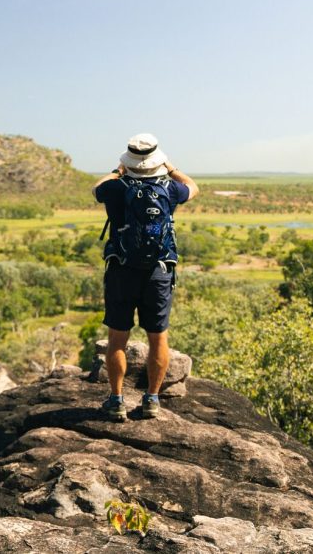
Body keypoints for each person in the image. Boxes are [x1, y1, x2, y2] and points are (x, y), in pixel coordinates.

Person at [90, 133, 199, 421]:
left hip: (121, 270)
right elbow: (193, 187)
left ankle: (116, 401)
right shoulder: (170, 189)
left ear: (128, 161)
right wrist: (170, 167)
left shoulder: (116, 188)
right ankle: (151, 399)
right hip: (158, 273)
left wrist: (117, 171)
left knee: (117, 340)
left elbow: (95, 188)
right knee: (158, 338)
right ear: (156, 161)